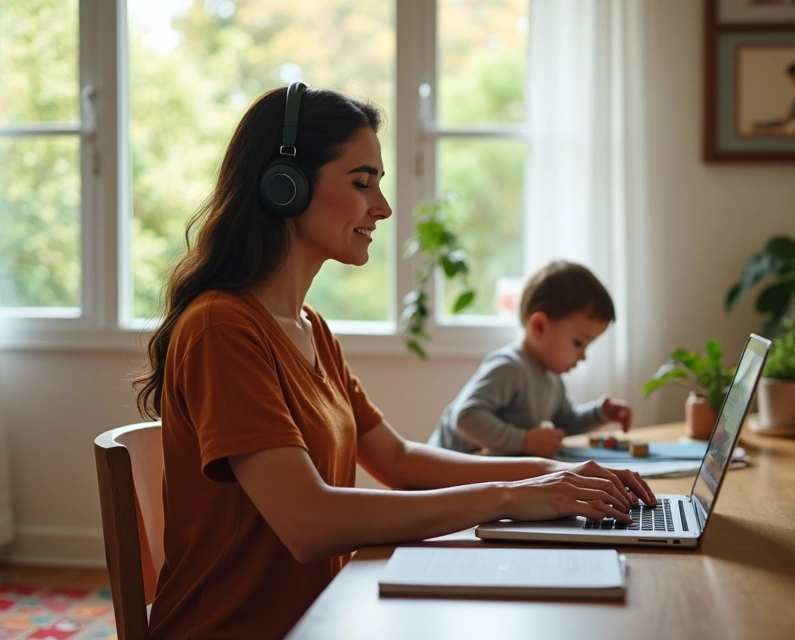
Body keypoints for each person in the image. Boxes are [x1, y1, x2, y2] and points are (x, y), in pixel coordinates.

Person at [131, 84, 655, 639]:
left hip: (320, 619)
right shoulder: (221, 328)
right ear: (284, 187)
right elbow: (307, 521)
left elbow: (399, 460)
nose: (381, 208)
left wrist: (556, 475)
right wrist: (508, 497)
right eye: (361, 184)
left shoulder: (311, 330)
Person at [428, 260, 632, 457]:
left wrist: (598, 414)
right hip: (443, 472)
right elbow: (465, 417)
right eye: (579, 343)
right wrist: (523, 441)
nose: (583, 356)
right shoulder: (509, 367)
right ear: (539, 327)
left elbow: (563, 424)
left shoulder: (552, 378)